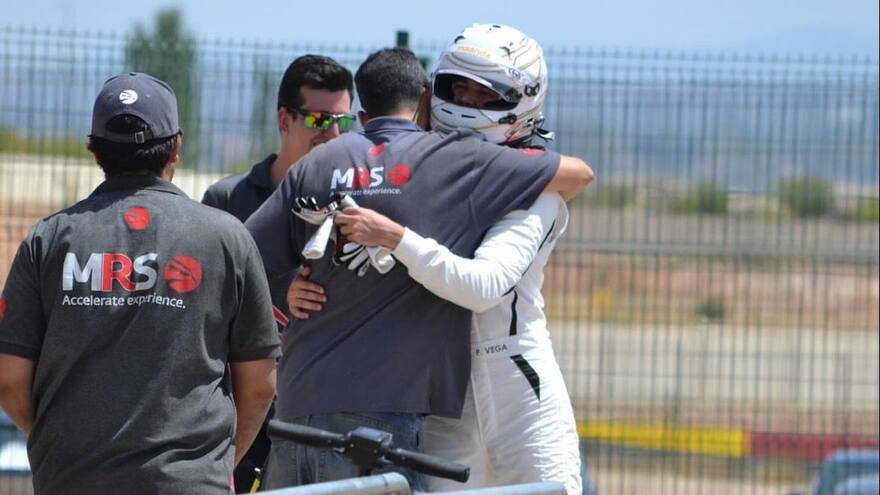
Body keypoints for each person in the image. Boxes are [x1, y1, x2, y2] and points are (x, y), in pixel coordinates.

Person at [244, 47, 592, 490]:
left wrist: (284, 288)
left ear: (361, 109)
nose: (467, 102)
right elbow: (580, 173)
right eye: (458, 88)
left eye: (483, 93)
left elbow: (238, 255)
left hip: (298, 410)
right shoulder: (454, 161)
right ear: (426, 95)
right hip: (390, 412)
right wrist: (396, 237)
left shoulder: (317, 164)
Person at [0, 72, 280, 494]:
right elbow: (259, 387)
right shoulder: (227, 238)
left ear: (94, 148)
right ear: (177, 146)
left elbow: (9, 381)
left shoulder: (49, 238)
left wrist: (64, 451)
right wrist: (214, 468)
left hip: (72, 480)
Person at [201, 54, 354, 492]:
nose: (331, 134)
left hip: (323, 410)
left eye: (342, 123)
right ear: (285, 119)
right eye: (319, 119)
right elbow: (203, 304)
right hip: (244, 409)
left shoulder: (361, 206)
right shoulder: (227, 199)